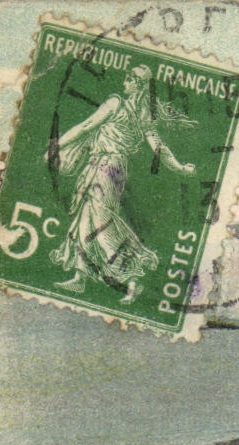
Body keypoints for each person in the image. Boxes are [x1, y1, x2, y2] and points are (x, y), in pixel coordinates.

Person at [49, 64, 196, 303]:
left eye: (129, 79)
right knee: (86, 218)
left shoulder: (116, 103)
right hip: (114, 168)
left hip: (105, 167)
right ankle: (80, 276)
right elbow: (159, 148)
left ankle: (131, 279)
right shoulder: (144, 115)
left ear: (137, 85)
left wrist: (57, 145)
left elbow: (86, 126)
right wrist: (179, 167)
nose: (124, 83)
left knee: (99, 221)